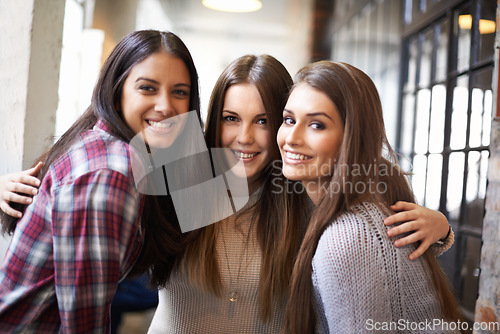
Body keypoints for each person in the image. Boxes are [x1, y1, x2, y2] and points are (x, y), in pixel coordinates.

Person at [0, 55, 452, 333]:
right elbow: (84, 179)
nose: (246, 138)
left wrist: (442, 228)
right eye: (232, 118)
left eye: (263, 120)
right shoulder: (184, 180)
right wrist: (11, 189)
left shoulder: (303, 196)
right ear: (212, 121)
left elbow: (376, 212)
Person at [0, 29, 201, 333]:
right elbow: (84, 325)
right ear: (118, 88)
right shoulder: (109, 172)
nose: (166, 106)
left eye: (180, 92)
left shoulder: (115, 147)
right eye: (148, 88)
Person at [278, 61, 461, 333]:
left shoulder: (346, 236)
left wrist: (444, 230)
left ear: (351, 138)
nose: (291, 137)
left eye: (316, 125)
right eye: (289, 120)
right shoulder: (362, 202)